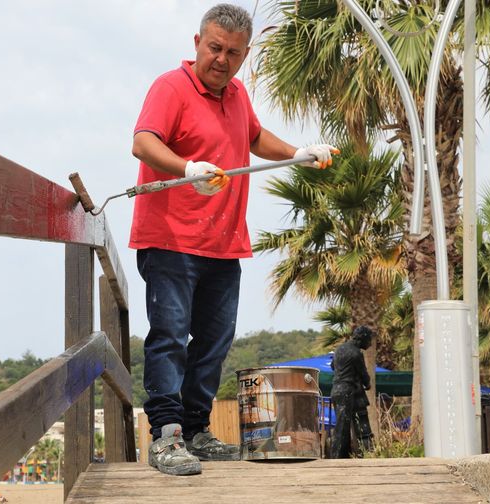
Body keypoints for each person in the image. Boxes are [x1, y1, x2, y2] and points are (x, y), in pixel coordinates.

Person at [129, 3, 339, 476]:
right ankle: (166, 436)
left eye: (233, 53)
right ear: (197, 42)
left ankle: (198, 431)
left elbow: (256, 137)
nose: (222, 59)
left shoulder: (238, 94)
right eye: (215, 47)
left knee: (214, 343)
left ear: (244, 57)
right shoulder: (170, 87)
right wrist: (187, 168)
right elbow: (143, 142)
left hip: (223, 244)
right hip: (171, 241)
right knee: (169, 338)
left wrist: (297, 153)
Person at [329, 325, 375, 458]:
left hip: (336, 390)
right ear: (362, 339)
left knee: (342, 424)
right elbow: (363, 373)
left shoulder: (339, 349)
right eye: (369, 340)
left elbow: (333, 366)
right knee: (343, 426)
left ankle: (343, 455)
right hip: (347, 390)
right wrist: (367, 384)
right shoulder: (356, 353)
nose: (370, 344)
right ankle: (337, 457)